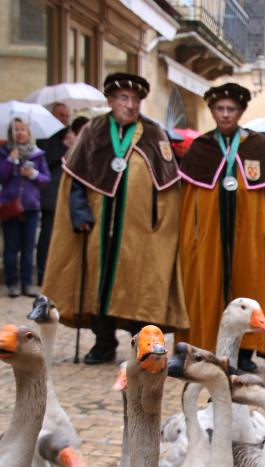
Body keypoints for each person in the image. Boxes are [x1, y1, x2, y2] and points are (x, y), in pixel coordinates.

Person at [42, 72, 188, 364]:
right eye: (123, 98)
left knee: (139, 283)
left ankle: (141, 341)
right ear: (110, 100)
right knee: (99, 283)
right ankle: (103, 342)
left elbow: (169, 184)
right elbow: (76, 179)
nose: (130, 105)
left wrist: (160, 222)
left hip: (140, 230)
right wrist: (80, 213)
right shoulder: (93, 131)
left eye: (135, 99)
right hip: (98, 226)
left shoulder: (153, 133)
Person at [178, 82, 265, 372]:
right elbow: (188, 204)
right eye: (220, 109)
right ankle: (207, 343)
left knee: (249, 279)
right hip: (211, 235)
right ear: (212, 111)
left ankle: (248, 350)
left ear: (240, 112)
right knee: (209, 283)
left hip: (247, 235)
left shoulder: (256, 145)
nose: (225, 114)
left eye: (231, 109)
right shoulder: (201, 147)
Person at [0, 118, 50, 297]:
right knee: (11, 248)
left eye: (23, 129)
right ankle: (12, 283)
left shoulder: (37, 154)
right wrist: (10, 162)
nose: (20, 133)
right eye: (16, 130)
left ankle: (27, 284)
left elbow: (46, 179)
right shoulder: (4, 152)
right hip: (10, 206)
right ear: (10, 133)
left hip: (31, 206)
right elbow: (2, 176)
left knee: (29, 248)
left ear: (29, 133)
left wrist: (33, 174)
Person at [36, 102, 72, 286]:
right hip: (49, 193)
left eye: (67, 115)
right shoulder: (45, 137)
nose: (64, 119)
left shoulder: (67, 136)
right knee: (47, 235)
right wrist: (64, 147)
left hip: (64, 193)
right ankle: (43, 272)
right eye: (61, 115)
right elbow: (47, 161)